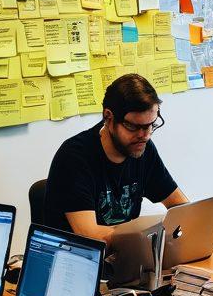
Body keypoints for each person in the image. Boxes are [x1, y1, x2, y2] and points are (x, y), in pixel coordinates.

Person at [42, 73, 187, 245]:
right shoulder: (74, 157)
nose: (145, 136)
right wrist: (147, 239)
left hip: (123, 259)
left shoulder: (143, 148)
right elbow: (90, 234)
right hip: (76, 262)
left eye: (151, 125)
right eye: (134, 127)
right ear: (109, 118)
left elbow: (180, 206)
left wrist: (190, 227)